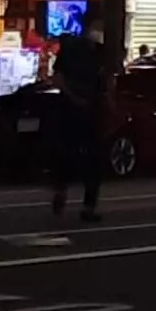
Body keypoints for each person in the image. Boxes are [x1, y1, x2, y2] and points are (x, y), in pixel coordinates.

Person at [48, 17, 107, 222]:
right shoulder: (77, 51)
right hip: (77, 109)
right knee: (80, 156)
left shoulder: (96, 53)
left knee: (82, 157)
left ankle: (76, 200)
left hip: (81, 110)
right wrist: (77, 98)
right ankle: (72, 197)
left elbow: (106, 82)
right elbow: (59, 78)